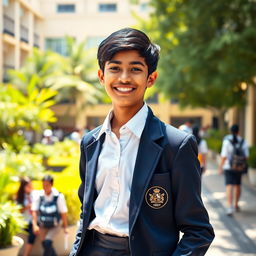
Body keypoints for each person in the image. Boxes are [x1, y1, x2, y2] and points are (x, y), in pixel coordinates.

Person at [69, 28, 214, 256]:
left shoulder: (176, 145)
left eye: (135, 69)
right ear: (101, 76)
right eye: (115, 68)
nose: (124, 78)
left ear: (151, 78)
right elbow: (86, 212)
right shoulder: (90, 142)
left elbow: (199, 231)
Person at [32, 175, 68, 256]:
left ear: (52, 185)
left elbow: (63, 213)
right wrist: (35, 225)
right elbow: (34, 211)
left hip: (56, 225)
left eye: (47, 185)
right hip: (43, 225)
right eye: (43, 185)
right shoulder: (39, 195)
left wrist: (65, 227)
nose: (45, 187)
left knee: (47, 242)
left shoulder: (58, 196)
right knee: (45, 244)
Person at [219, 124, 249, 216]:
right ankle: (236, 204)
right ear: (238, 131)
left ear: (230, 131)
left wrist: (221, 167)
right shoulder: (243, 141)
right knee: (237, 185)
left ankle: (229, 207)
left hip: (228, 166)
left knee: (229, 185)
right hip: (239, 167)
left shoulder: (227, 141)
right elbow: (247, 157)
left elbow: (223, 156)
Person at [16, 177, 36, 256]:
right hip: (24, 222)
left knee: (32, 234)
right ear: (23, 187)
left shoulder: (34, 194)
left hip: (32, 220)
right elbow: (18, 210)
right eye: (28, 186)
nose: (30, 187)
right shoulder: (20, 197)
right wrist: (27, 207)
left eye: (31, 185)